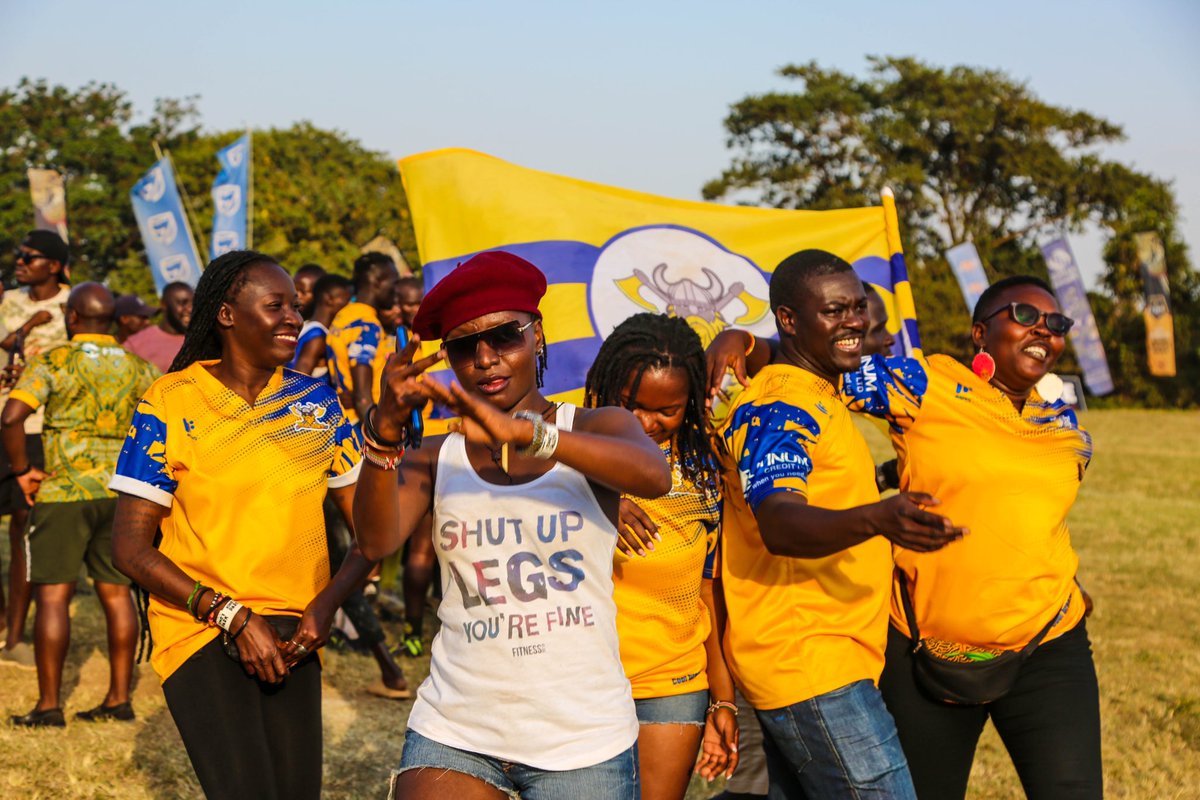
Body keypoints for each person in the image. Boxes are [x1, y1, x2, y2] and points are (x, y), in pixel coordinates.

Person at [353, 250, 671, 800]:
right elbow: (375, 540)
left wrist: (532, 436)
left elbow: (654, 475)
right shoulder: (436, 456)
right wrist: (383, 429)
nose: (485, 358)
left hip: (582, 738)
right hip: (456, 727)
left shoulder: (597, 426)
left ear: (538, 335)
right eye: (463, 346)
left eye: (504, 336)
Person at [109, 250, 379, 799]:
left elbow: (373, 534)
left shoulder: (317, 404)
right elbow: (130, 547)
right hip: (200, 624)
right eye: (275, 305)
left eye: (296, 307)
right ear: (227, 314)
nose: (293, 319)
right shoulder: (172, 401)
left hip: (294, 635)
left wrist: (324, 607)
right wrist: (229, 614)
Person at [714, 250, 964, 799]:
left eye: (856, 307)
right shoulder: (779, 405)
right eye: (833, 311)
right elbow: (779, 521)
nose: (853, 321)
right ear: (789, 319)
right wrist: (878, 517)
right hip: (809, 661)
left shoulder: (822, 389)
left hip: (836, 656)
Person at [584, 312, 739, 800]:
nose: (645, 423)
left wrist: (723, 701)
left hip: (672, 684)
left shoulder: (705, 470)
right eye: (630, 405)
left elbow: (707, 592)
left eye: (666, 410)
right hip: (576, 683)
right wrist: (596, 492)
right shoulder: (569, 445)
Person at [3, 283, 159, 727]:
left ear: (72, 317)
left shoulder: (53, 360)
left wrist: (21, 471)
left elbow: (12, 416)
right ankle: (118, 699)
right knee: (116, 593)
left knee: (54, 594)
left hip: (65, 490)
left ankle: (49, 706)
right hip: (120, 493)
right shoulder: (140, 368)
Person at [0, 230, 71, 670]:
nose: (21, 262)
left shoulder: (74, 306)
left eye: (31, 257)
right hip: (1, 419)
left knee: (24, 529)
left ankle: (15, 636)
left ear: (56, 266)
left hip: (40, 429)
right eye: (19, 255)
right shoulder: (8, 302)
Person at [326, 252, 401, 424]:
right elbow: (362, 397)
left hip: (345, 420)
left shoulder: (344, 315)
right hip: (362, 424)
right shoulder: (366, 324)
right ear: (377, 282)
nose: (396, 290)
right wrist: (377, 437)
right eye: (394, 282)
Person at [289, 273, 352, 377]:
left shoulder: (306, 326)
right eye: (346, 299)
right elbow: (299, 380)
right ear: (329, 299)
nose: (349, 305)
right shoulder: (318, 337)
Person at [122, 281, 194, 373]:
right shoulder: (135, 345)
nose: (190, 309)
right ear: (164, 304)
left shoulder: (203, 340)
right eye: (183, 303)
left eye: (193, 303)